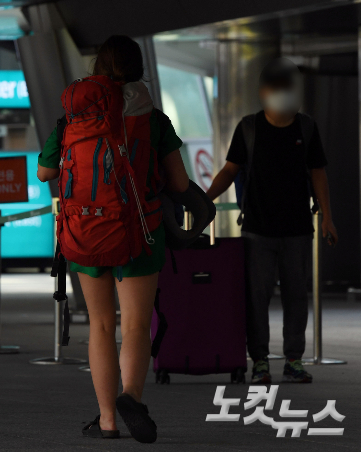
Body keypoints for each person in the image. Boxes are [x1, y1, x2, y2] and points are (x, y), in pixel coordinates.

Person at [37, 36, 189, 443]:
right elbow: (178, 181)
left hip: (85, 231)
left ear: (97, 69)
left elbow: (45, 172)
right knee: (137, 324)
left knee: (101, 326)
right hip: (139, 233)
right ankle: (132, 397)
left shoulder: (73, 118)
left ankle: (107, 420)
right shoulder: (153, 119)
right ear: (138, 68)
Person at [207, 58, 338, 384]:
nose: (285, 95)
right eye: (279, 89)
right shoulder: (249, 128)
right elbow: (229, 170)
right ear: (265, 92)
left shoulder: (305, 128)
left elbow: (318, 173)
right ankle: (260, 361)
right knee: (257, 298)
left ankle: (294, 359)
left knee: (296, 296)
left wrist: (327, 218)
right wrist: (203, 200)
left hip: (297, 230)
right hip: (257, 230)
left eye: (289, 89)